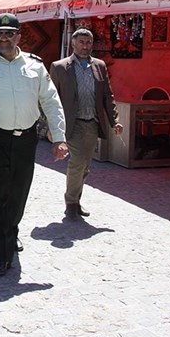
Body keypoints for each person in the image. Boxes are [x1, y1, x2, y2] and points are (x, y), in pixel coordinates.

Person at [0, 13, 68, 276]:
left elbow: (51, 101)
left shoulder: (35, 66)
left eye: (9, 34)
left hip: (25, 140)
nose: (4, 38)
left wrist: (59, 137)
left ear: (19, 36)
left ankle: (11, 232)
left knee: (18, 194)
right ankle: (2, 252)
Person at [50, 28, 124, 221]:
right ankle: (71, 203)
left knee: (85, 165)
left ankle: (76, 200)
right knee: (78, 161)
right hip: (71, 123)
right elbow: (51, 99)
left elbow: (107, 95)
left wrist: (115, 120)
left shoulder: (99, 66)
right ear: (73, 44)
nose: (85, 46)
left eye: (88, 42)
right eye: (81, 42)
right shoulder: (59, 67)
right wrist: (51, 126)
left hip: (91, 122)